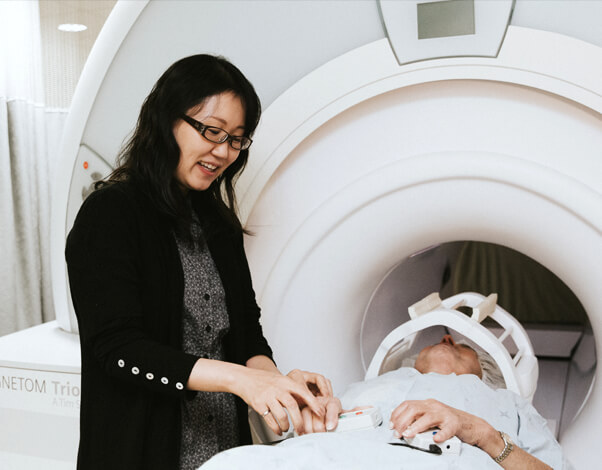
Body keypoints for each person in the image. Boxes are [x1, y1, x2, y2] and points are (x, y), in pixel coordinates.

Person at [65, 54, 332, 470]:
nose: (223, 151)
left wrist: (279, 384)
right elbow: (118, 349)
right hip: (141, 450)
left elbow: (246, 333)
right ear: (166, 120)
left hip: (223, 449)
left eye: (236, 139)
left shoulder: (216, 223)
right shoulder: (110, 213)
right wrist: (240, 380)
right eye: (211, 131)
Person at [295, 335, 563, 470]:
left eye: (463, 347)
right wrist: (316, 418)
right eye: (441, 340)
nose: (447, 338)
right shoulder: (363, 387)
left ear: (485, 371)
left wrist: (481, 433)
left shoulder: (507, 403)